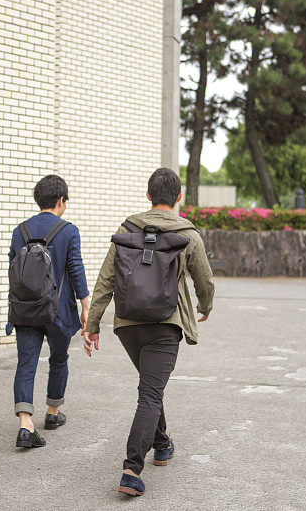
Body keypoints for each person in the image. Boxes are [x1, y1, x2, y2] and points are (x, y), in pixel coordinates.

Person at [83, 167, 215, 496]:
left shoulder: (127, 229)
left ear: (148, 196)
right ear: (179, 197)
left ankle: (163, 443)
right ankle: (131, 470)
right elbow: (205, 281)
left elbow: (106, 280)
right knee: (151, 394)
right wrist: (205, 307)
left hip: (128, 325)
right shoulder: (189, 234)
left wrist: (92, 324)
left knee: (150, 388)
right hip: (165, 326)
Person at [7, 175, 89, 448]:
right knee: (58, 359)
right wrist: (86, 304)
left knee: (26, 362)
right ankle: (53, 413)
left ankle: (25, 423)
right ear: (60, 201)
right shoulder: (68, 230)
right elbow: (75, 268)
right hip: (58, 311)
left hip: (26, 310)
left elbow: (13, 271)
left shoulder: (20, 231)